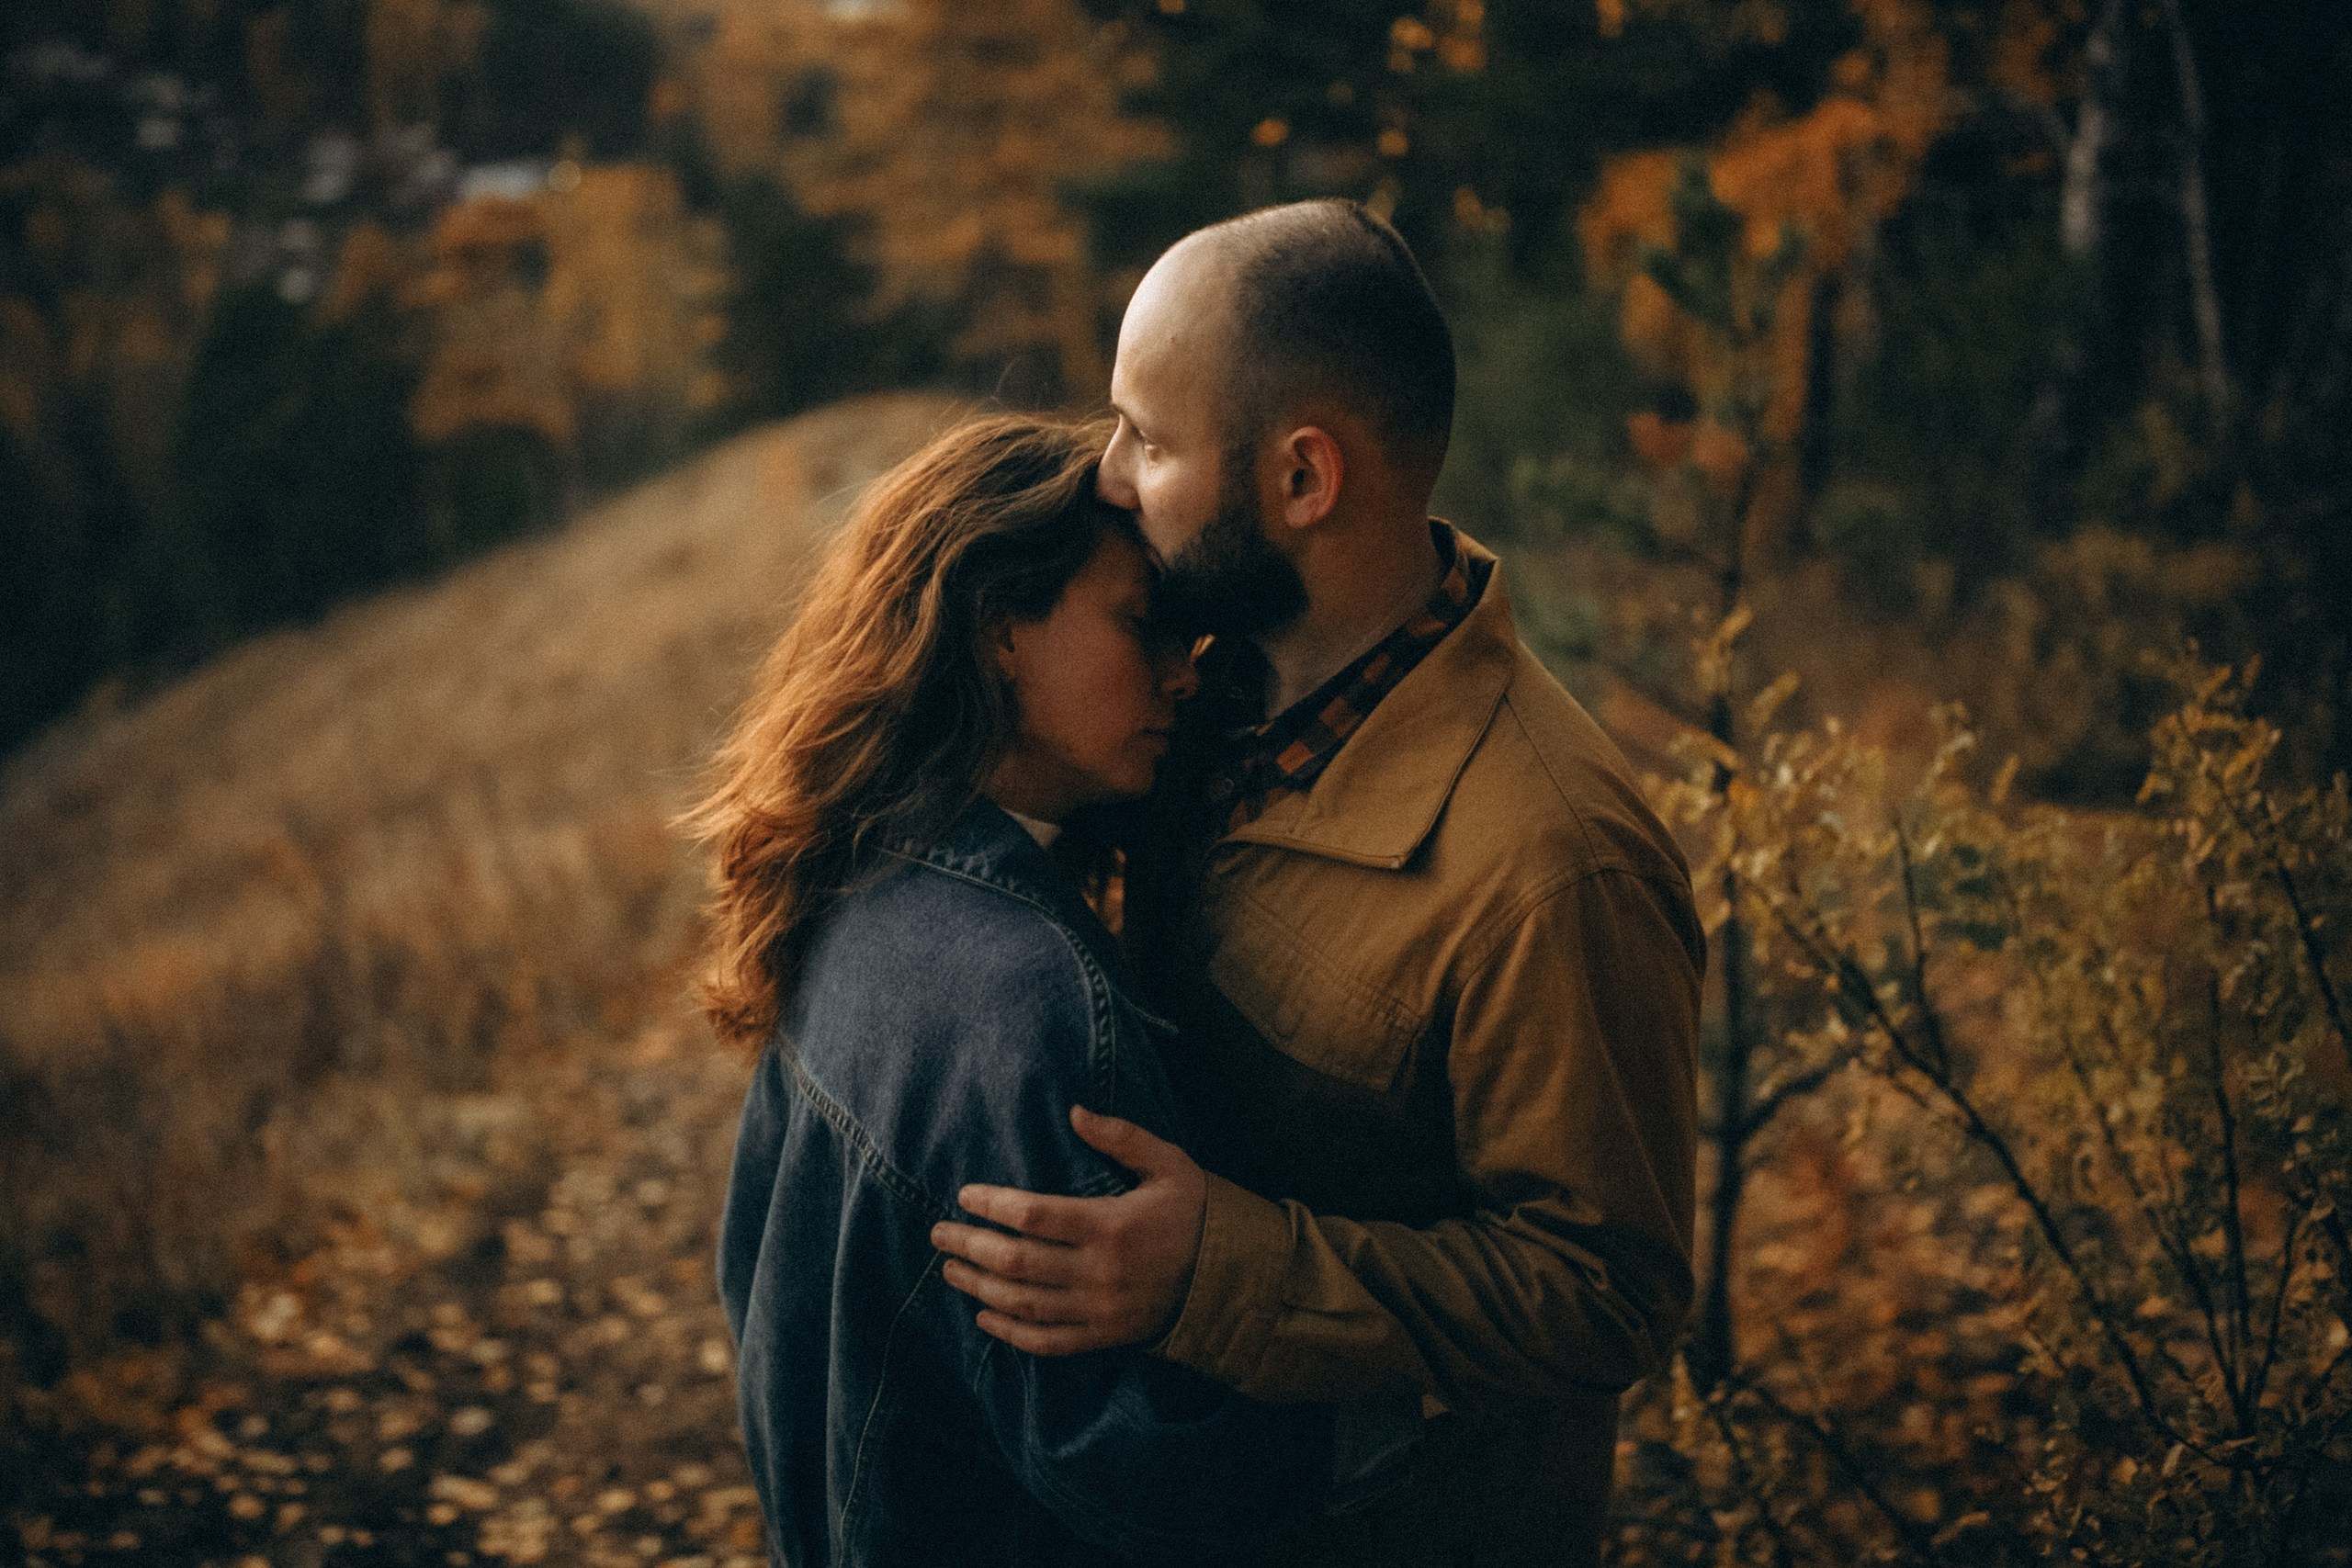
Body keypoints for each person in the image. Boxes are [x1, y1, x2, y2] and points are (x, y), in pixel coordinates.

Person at [930, 201, 1705, 1567]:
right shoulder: (1211, 687)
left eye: (1152, 440)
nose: (1111, 476)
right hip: (1205, 1504)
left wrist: (1217, 1271)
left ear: (1302, 480)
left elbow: (1608, 1294)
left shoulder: (1549, 861)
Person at [688, 416, 1405, 1567]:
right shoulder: (1030, 999)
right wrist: (1398, 1391)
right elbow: (1165, 1482)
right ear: (998, 626)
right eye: (1142, 623)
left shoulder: (853, 887)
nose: (1187, 671)